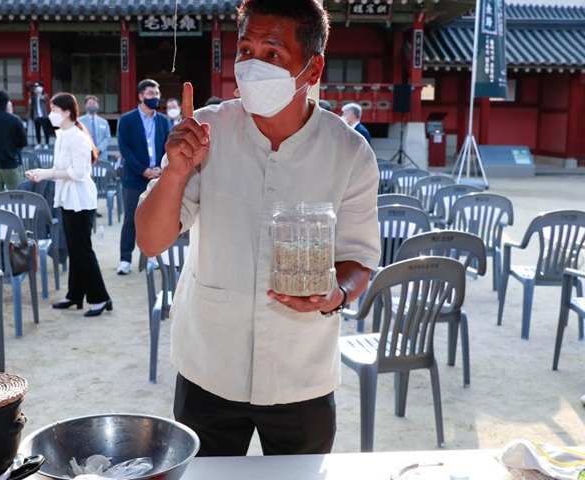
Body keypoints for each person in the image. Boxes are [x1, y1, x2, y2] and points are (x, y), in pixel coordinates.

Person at [136, 0, 380, 458]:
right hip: (209, 365)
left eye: (272, 54)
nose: (251, 66)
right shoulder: (205, 131)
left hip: (301, 372)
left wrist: (337, 294)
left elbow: (360, 259)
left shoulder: (349, 153)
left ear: (312, 67)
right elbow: (151, 241)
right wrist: (174, 172)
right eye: (245, 50)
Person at [25, 93, 112, 317]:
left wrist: (46, 174)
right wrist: (44, 173)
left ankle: (100, 298)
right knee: (74, 248)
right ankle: (75, 294)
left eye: (53, 109)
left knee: (82, 250)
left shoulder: (78, 138)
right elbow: (62, 169)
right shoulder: (63, 135)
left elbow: (78, 173)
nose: (50, 114)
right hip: (68, 199)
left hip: (81, 201)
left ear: (65, 112)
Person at [115, 79, 171, 275]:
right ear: (140, 96)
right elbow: (125, 149)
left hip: (157, 177)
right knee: (131, 218)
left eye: (156, 94)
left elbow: (168, 146)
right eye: (150, 94)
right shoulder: (127, 120)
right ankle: (125, 259)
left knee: (154, 219)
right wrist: (142, 169)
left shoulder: (164, 121)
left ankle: (152, 257)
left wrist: (159, 169)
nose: (154, 97)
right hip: (134, 177)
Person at [78, 95, 111, 164]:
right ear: (85, 106)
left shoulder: (104, 122)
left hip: (102, 157)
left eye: (94, 103)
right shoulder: (79, 122)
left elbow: (107, 138)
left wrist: (99, 149)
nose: (91, 105)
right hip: (85, 156)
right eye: (89, 103)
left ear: (98, 106)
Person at [29, 82, 51, 147]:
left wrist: (37, 93)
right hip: (36, 115)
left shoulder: (45, 94)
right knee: (37, 130)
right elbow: (31, 105)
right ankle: (39, 143)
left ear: (42, 88)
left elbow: (45, 99)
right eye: (36, 87)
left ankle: (46, 143)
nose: (36, 88)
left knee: (45, 130)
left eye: (38, 87)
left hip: (44, 115)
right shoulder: (34, 96)